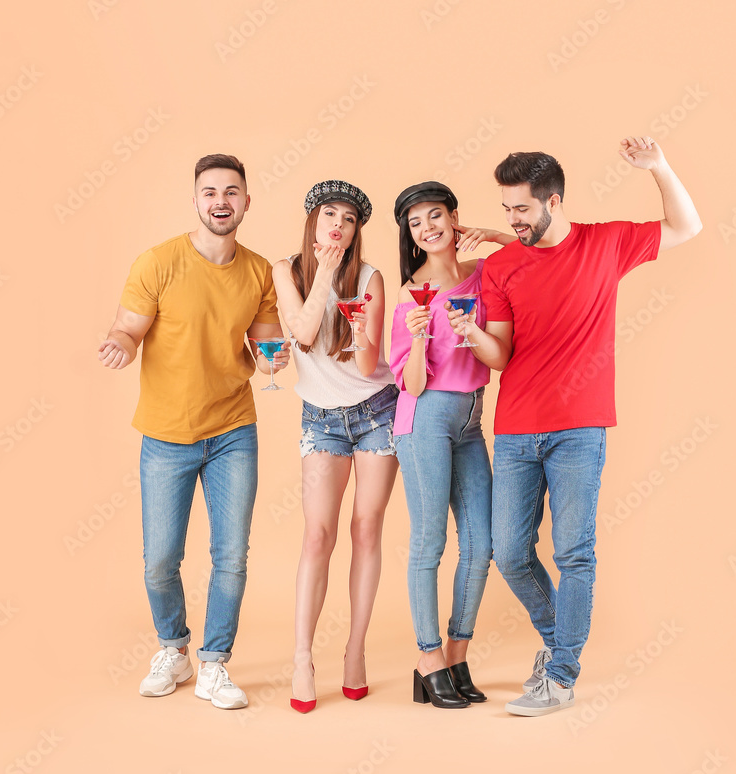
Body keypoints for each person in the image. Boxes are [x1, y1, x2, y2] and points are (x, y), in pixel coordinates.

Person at [446, 137, 702, 716]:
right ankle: (561, 645)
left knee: (574, 553)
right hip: (515, 428)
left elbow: (686, 225)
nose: (511, 220)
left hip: (580, 430)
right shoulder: (502, 265)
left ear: (553, 202)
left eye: (521, 210)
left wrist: (660, 166)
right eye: (507, 209)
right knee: (509, 551)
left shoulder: (607, 242)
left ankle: (560, 674)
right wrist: (473, 337)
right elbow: (502, 355)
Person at [97, 153, 289, 710]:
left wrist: (272, 359)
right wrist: (121, 344)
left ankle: (213, 665)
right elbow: (129, 327)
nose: (221, 201)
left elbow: (265, 340)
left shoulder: (257, 272)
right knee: (160, 558)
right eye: (210, 192)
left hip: (233, 429)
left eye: (231, 192)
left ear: (247, 202)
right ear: (196, 200)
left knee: (231, 555)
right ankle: (174, 648)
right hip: (166, 434)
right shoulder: (157, 262)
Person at [270, 180, 399, 713]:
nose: (338, 226)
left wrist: (362, 327)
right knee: (317, 536)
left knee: (366, 528)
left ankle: (355, 650)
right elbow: (300, 334)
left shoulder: (369, 277)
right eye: (330, 215)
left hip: (376, 412)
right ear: (312, 221)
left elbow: (368, 367)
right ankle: (302, 659)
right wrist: (323, 270)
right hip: (320, 419)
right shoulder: (286, 271)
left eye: (349, 219)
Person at [388, 181, 515, 709]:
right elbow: (411, 384)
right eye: (416, 223)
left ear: (453, 217)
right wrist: (418, 334)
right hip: (423, 419)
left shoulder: (483, 274)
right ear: (410, 236)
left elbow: (535, 254)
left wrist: (491, 234)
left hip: (470, 420)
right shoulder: (409, 292)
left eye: (435, 216)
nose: (427, 228)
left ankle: (458, 653)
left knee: (482, 543)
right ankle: (428, 657)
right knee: (429, 542)